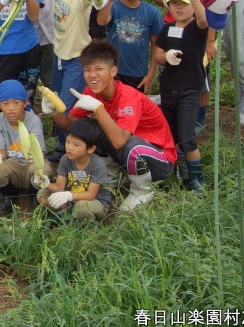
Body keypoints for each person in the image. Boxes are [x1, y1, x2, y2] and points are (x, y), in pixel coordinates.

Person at [65, 39, 176, 210]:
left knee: (131, 145)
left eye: (99, 69)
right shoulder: (92, 92)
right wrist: (54, 111)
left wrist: (97, 108)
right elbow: (71, 125)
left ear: (113, 71)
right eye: (87, 70)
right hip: (127, 153)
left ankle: (142, 190)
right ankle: (112, 174)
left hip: (160, 159)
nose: (92, 75)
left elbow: (119, 142)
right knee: (89, 127)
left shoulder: (128, 96)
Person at [47, 0, 112, 162]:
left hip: (77, 58)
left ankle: (64, 149)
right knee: (56, 101)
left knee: (65, 107)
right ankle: (63, 139)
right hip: (59, 55)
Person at [154, 0, 209, 192]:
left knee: (187, 135)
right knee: (171, 134)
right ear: (168, 5)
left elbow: (204, 20)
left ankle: (197, 180)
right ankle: (178, 174)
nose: (179, 7)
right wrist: (166, 57)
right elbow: (158, 54)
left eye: (184, 3)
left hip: (189, 89)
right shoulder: (168, 29)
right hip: (168, 89)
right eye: (175, 3)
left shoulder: (197, 28)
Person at [0, 80, 47, 216]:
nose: (11, 108)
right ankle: (9, 196)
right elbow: (2, 154)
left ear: (25, 103)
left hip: (30, 164)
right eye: (5, 104)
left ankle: (34, 194)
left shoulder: (34, 121)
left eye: (16, 103)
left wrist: (34, 157)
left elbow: (38, 154)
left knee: (44, 169)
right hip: (11, 164)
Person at [36, 118, 112, 221]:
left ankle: (87, 228)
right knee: (42, 194)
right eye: (67, 142)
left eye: (76, 145)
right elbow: (59, 187)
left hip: (96, 201)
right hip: (73, 199)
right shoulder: (65, 159)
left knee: (81, 208)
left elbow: (91, 195)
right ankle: (67, 215)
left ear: (90, 149)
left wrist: (68, 195)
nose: (69, 147)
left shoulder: (97, 165)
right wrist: (46, 184)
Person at [106, 0, 162, 93]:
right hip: (113, 71)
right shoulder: (113, 7)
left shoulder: (152, 12)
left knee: (133, 110)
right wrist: (108, 0)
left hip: (138, 74)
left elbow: (156, 46)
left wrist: (150, 75)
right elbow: (102, 21)